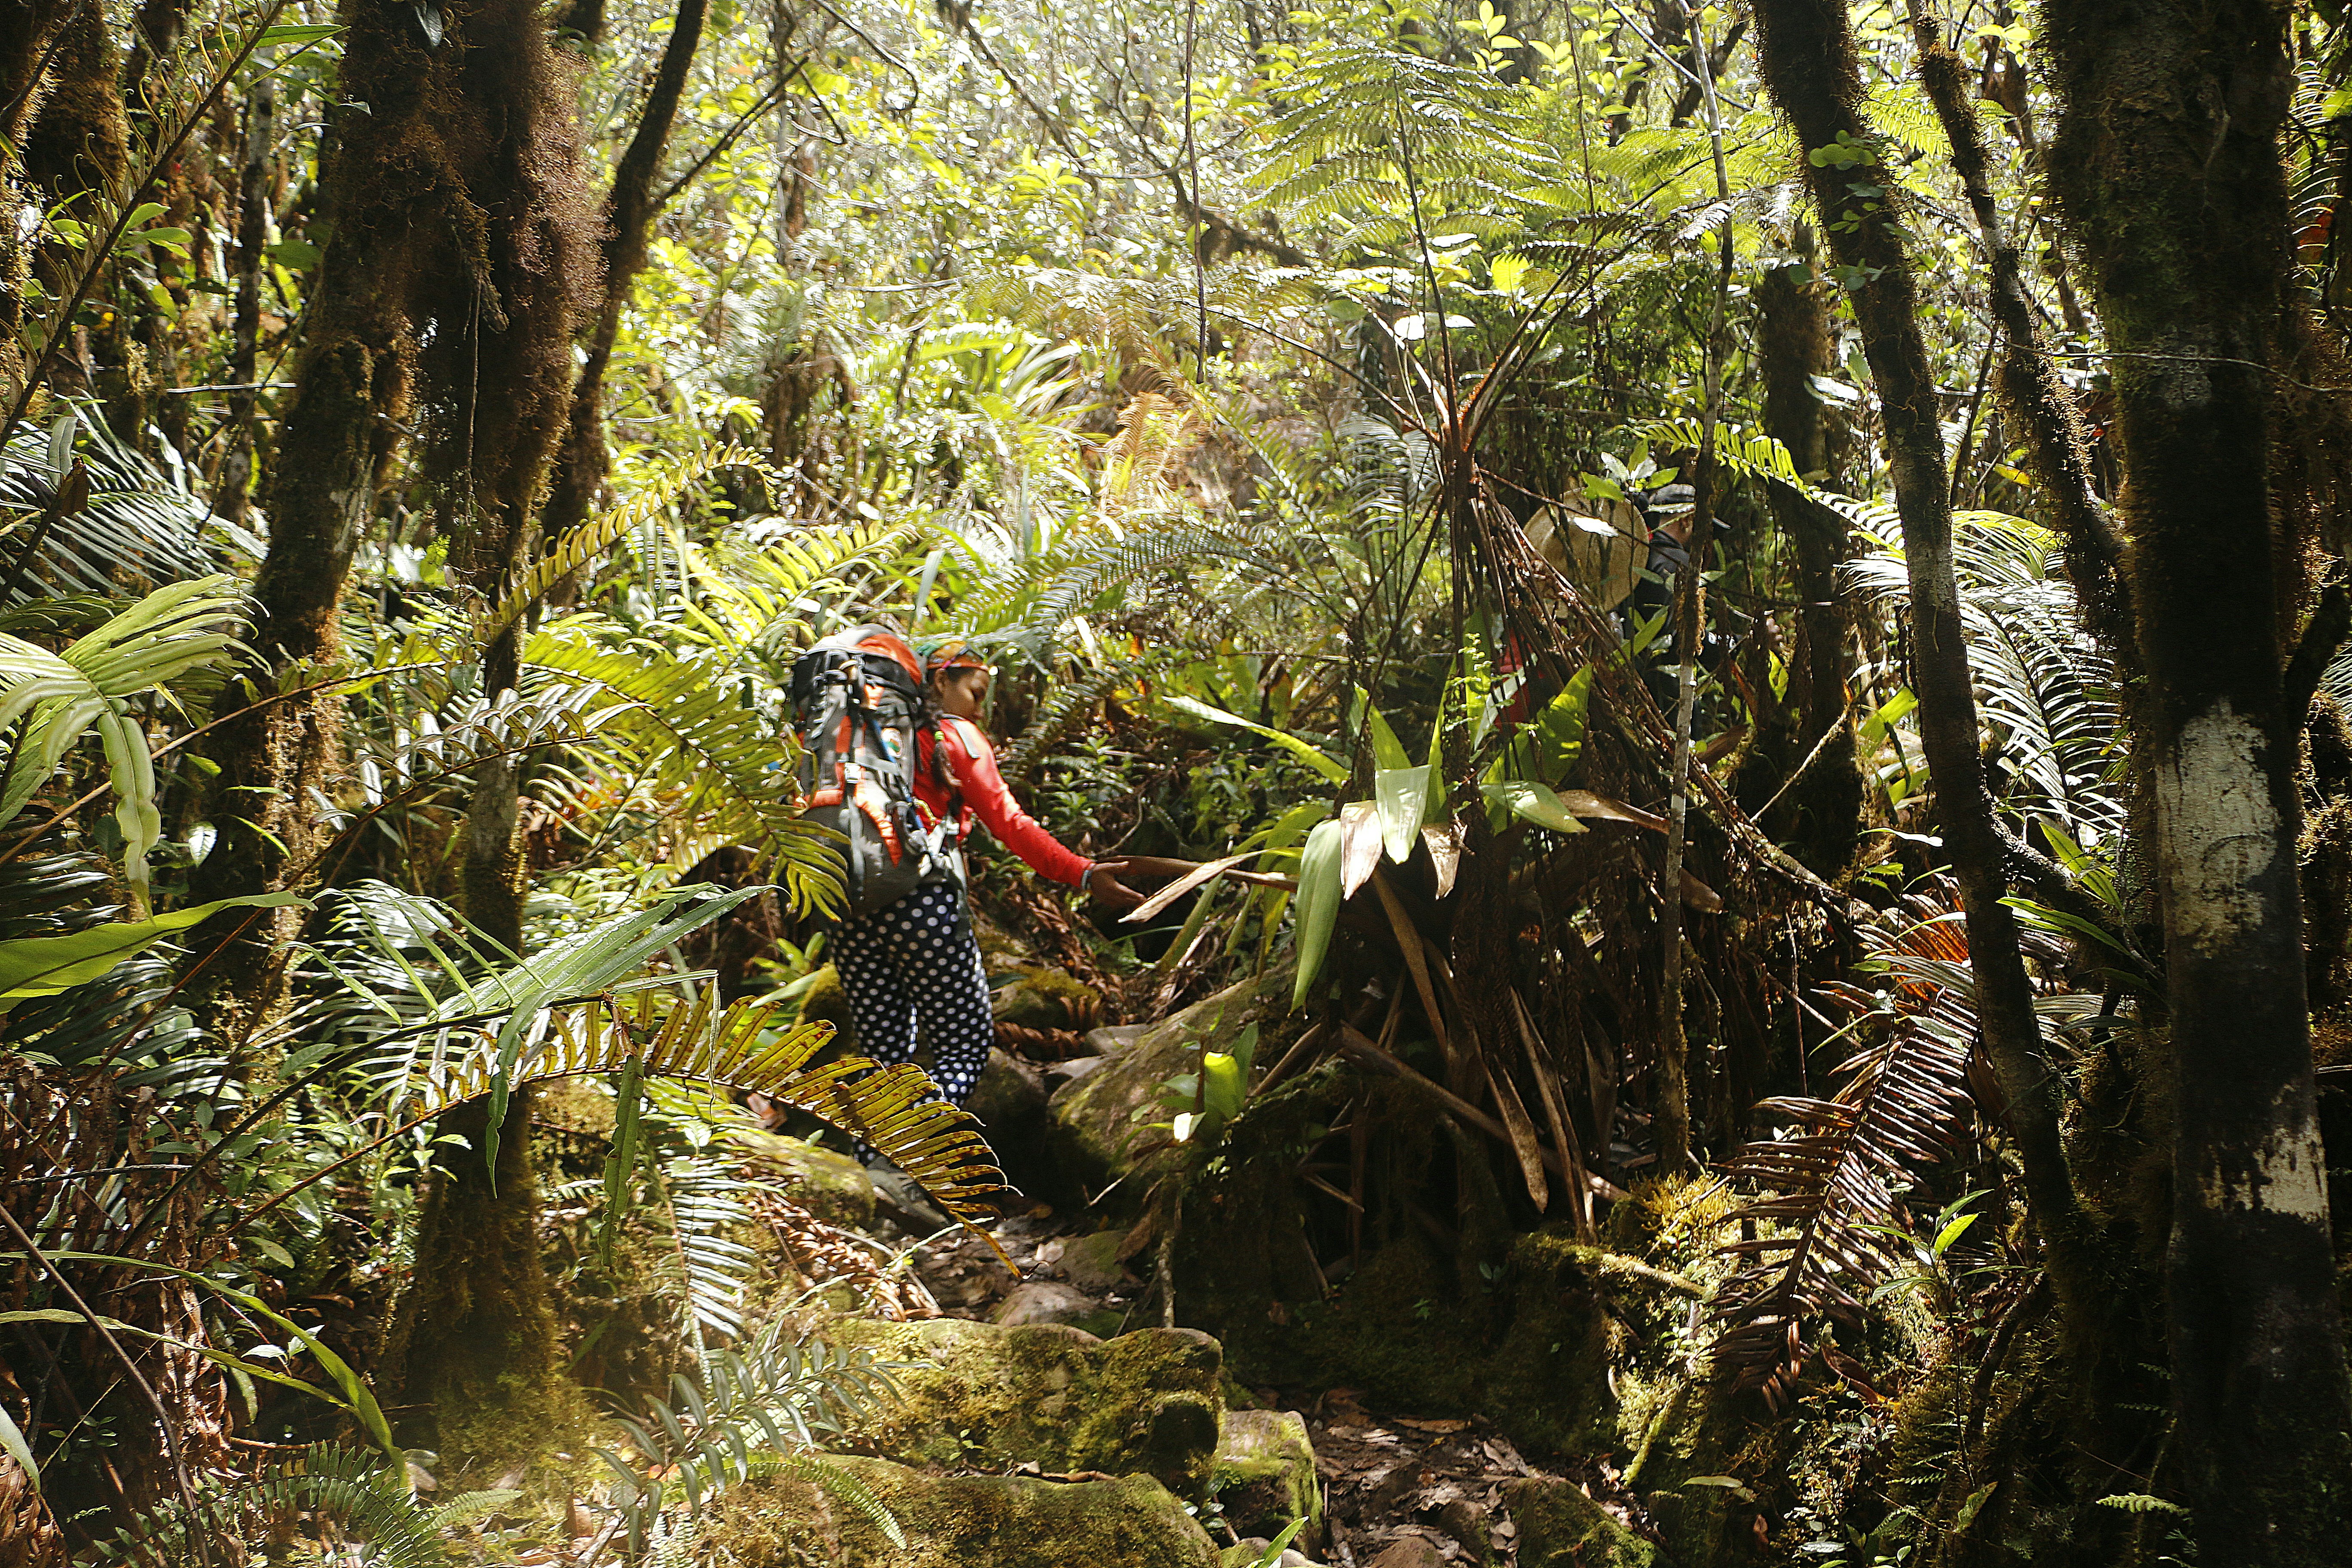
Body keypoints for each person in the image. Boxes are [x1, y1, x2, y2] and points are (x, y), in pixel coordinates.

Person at [823, 637, 1142, 1116]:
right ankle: (912, 1153)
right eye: (974, 691)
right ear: (938, 680)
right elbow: (1011, 825)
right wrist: (1084, 872)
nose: (979, 708)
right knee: (963, 1049)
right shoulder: (956, 737)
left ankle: (873, 1170)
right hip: (921, 906)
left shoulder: (848, 737)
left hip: (845, 907)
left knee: (883, 1054)